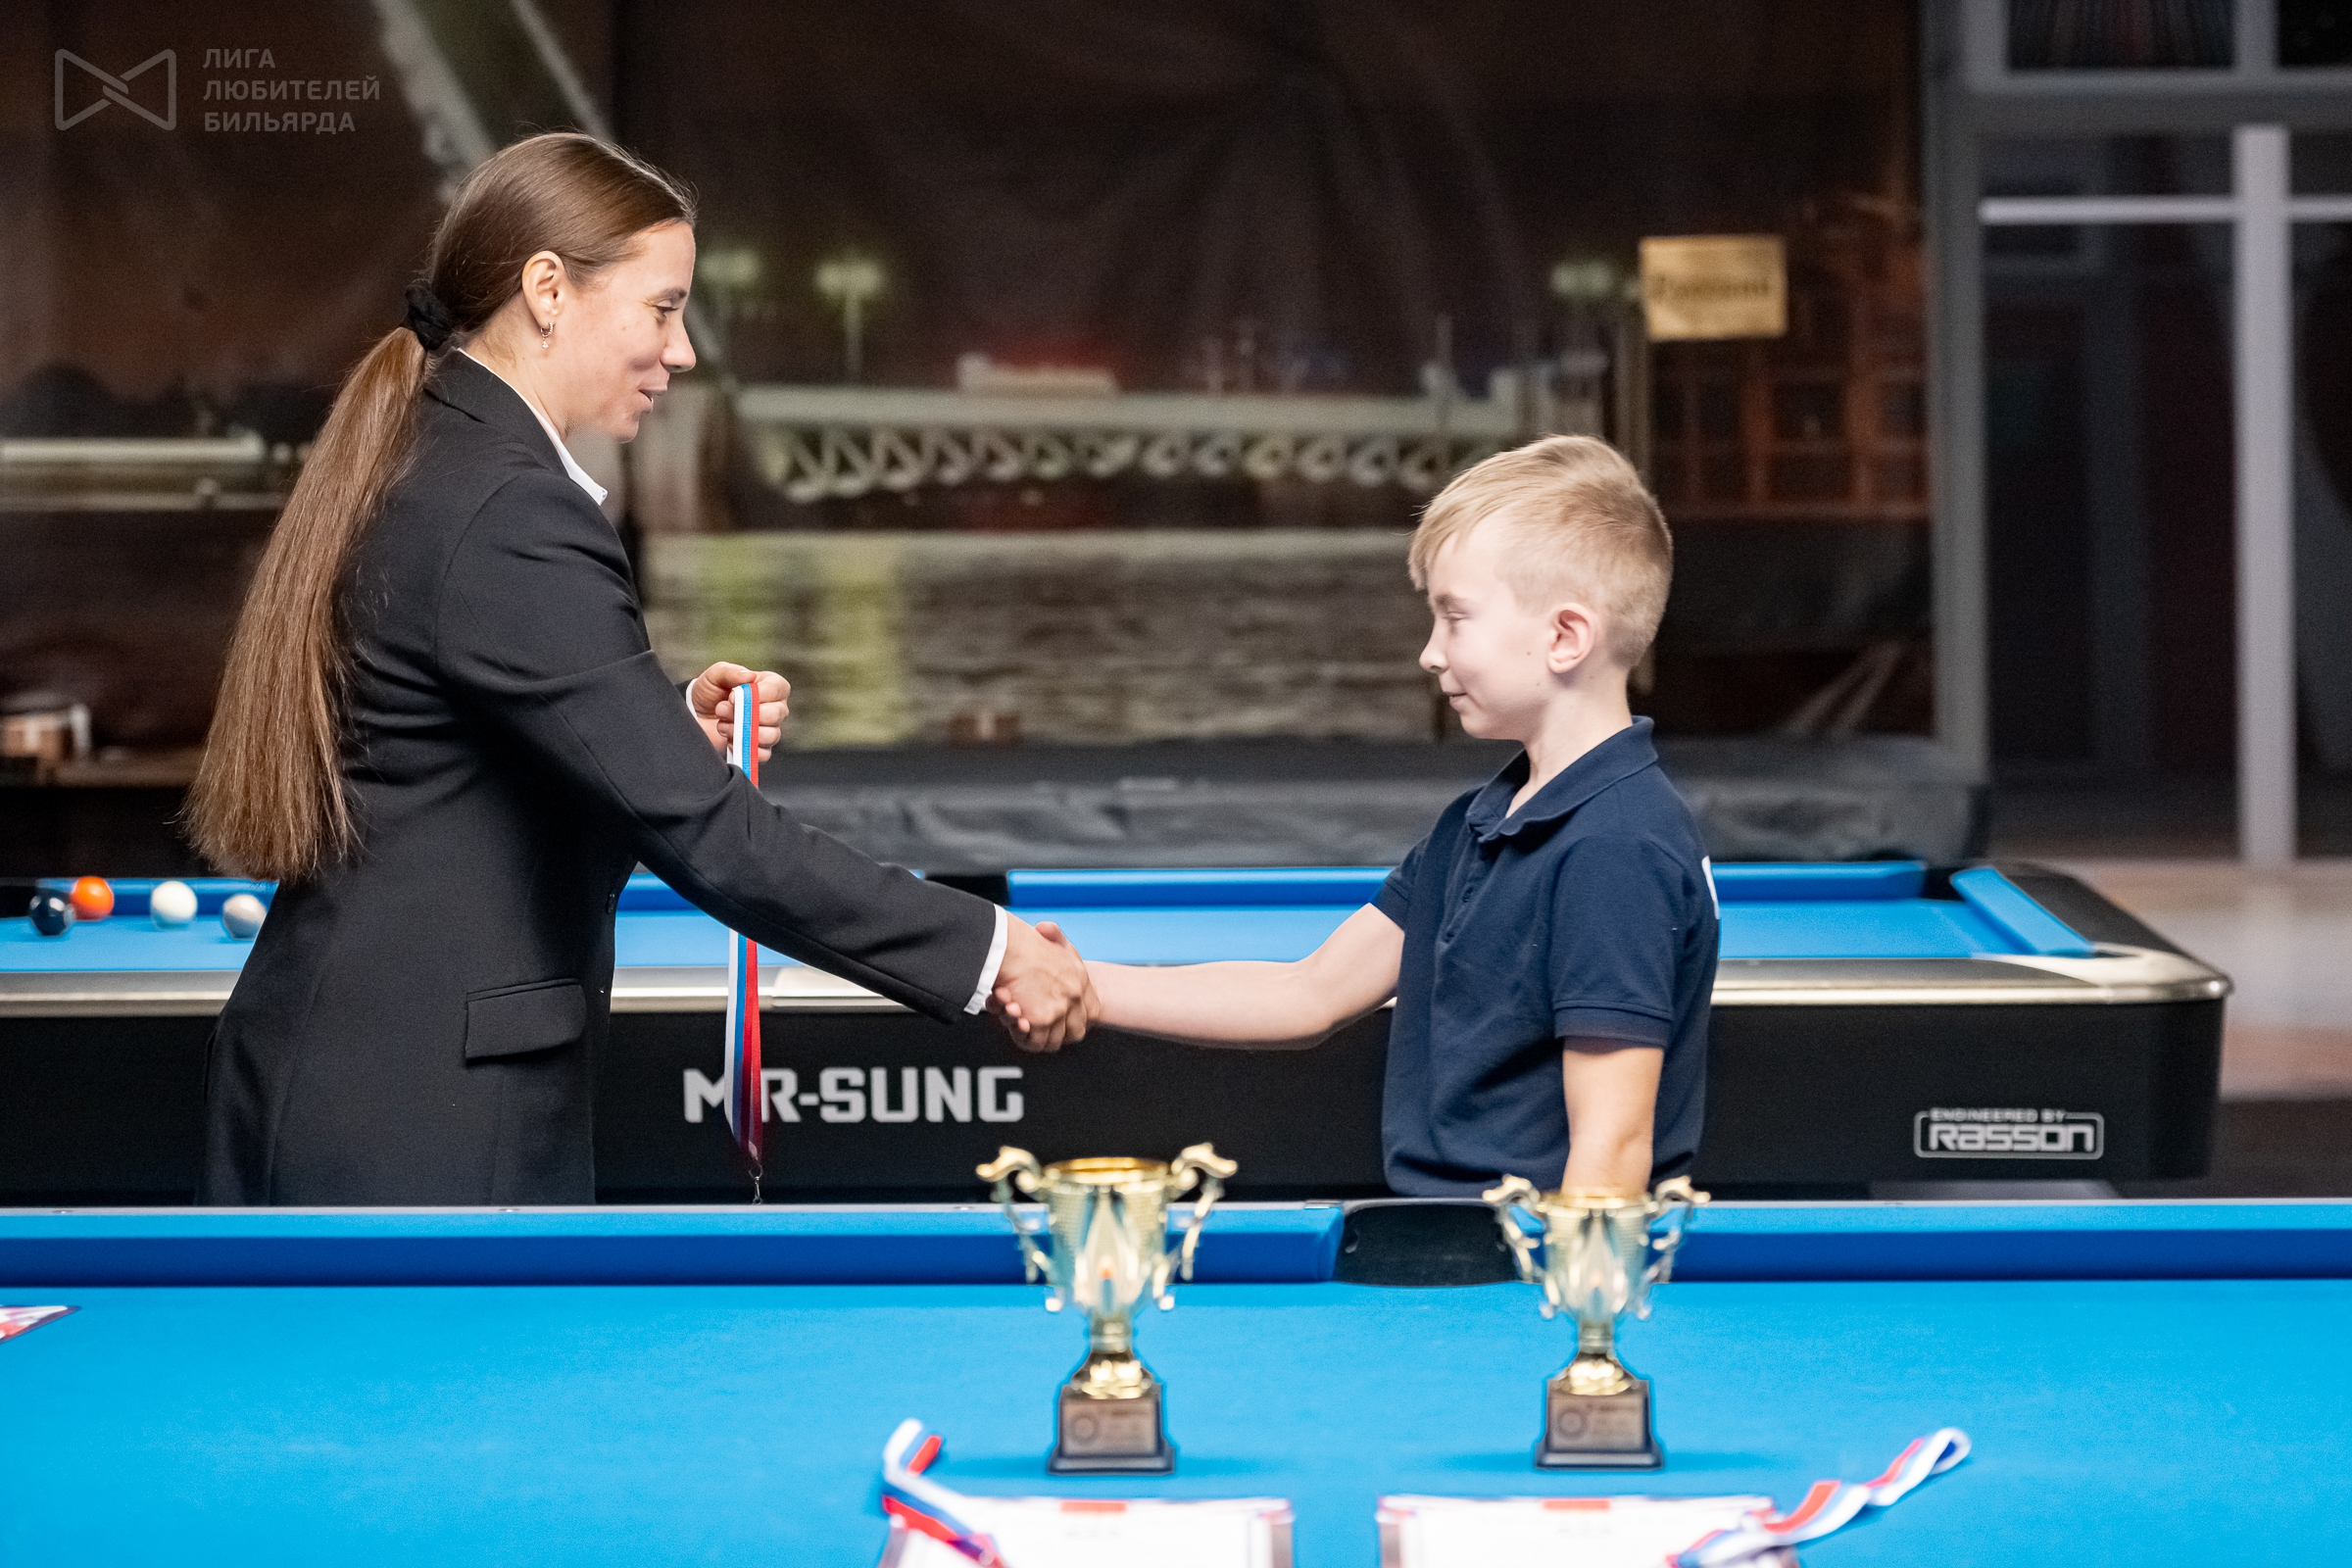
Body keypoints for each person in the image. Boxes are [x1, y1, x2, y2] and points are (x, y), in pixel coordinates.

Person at [188, 133, 1097, 1205]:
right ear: (548, 291)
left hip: (370, 1077)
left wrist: (651, 731)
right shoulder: (512, 509)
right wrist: (991, 950)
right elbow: (715, 838)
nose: (684, 352)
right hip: (411, 1111)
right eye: (662, 309)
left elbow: (452, 759)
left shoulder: (445, 455)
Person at [1085, 436, 1717, 1197]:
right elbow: (1310, 990)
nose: (1430, 653)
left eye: (1455, 617)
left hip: (1519, 1256)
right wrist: (1079, 983)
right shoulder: (1475, 823)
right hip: (1445, 1233)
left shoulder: (1615, 847)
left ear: (1564, 637)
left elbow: (1611, 1152)